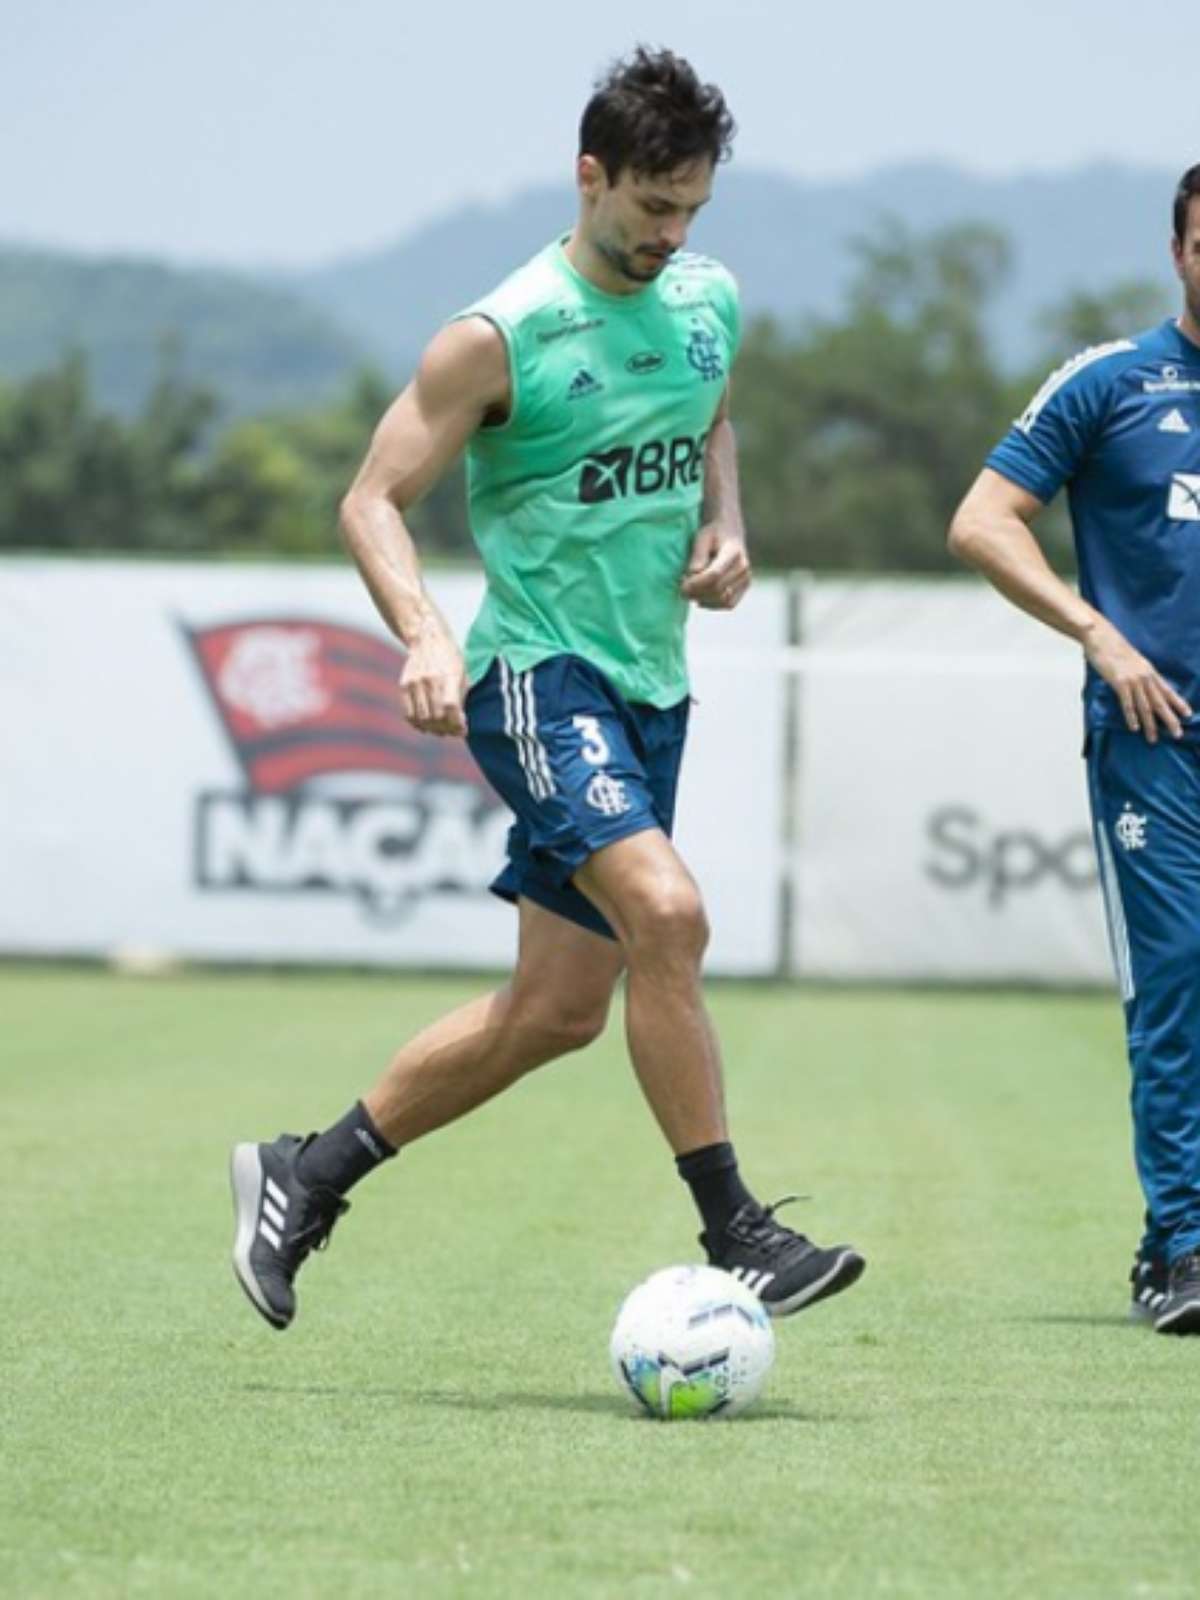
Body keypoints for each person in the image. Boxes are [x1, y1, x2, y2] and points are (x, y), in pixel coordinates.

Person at [229, 47, 865, 1332]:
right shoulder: (499, 333)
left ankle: (307, 1172)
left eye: (690, 209)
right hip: (536, 673)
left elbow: (711, 408)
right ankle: (736, 1228)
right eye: (650, 208)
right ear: (591, 176)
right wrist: (422, 634)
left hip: (650, 684)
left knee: (556, 1013)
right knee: (669, 917)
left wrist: (727, 524)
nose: (669, 234)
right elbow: (370, 500)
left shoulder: (707, 299)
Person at [948, 163, 1200, 1335]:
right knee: (1181, 982)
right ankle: (1182, 1249)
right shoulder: (1111, 383)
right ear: (1178, 251)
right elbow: (983, 519)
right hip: (1163, 742)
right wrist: (1099, 635)